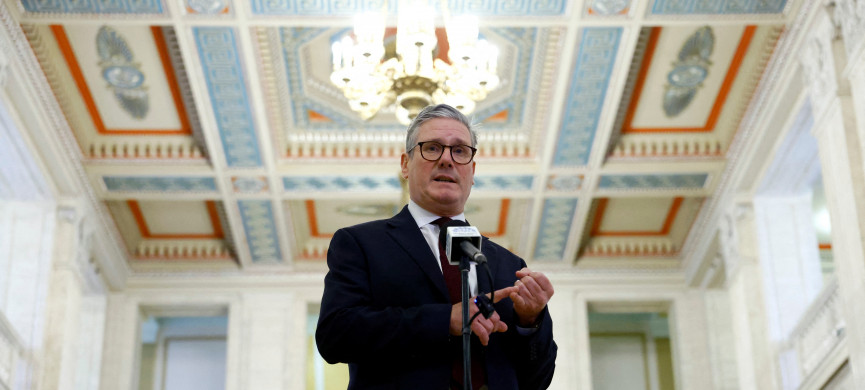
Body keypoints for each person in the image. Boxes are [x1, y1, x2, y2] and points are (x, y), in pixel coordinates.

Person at [316, 104, 557, 389]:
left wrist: (530, 322)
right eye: (432, 148)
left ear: (472, 170)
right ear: (405, 165)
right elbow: (336, 336)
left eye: (460, 151)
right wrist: (445, 320)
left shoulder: (509, 266)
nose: (447, 160)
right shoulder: (361, 243)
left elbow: (537, 380)